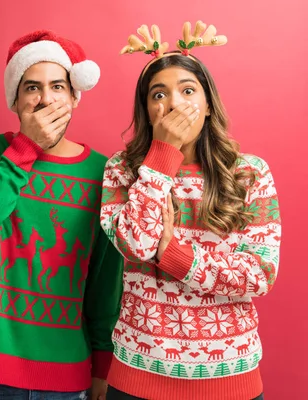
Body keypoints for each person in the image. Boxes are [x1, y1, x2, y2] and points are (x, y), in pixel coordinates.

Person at [100, 22, 280, 400]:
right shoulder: (122, 168)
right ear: (148, 109)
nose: (174, 104)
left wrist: (173, 255)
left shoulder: (250, 173)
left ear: (209, 103)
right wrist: (164, 156)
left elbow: (259, 275)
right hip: (136, 376)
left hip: (231, 378)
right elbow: (134, 245)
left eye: (187, 90)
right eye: (159, 94)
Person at [0, 30, 123, 400]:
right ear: (15, 99)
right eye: (32, 87)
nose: (46, 99)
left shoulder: (103, 174)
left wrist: (103, 369)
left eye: (57, 86)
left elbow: (105, 285)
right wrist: (24, 149)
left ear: (75, 96)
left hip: (69, 378)